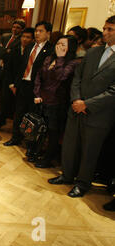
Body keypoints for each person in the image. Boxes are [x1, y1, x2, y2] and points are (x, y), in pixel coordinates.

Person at [48, 15, 115, 198]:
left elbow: (113, 91)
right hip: (76, 109)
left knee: (89, 151)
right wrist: (77, 100)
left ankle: (83, 183)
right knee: (70, 145)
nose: (105, 32)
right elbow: (77, 78)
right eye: (104, 28)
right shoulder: (93, 52)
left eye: (110, 29)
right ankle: (66, 175)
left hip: (99, 114)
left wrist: (87, 104)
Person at [4, 21, 53, 162]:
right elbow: (22, 66)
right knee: (19, 113)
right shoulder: (30, 46)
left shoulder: (50, 50)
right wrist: (15, 83)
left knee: (34, 117)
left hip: (37, 88)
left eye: (41, 31)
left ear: (48, 33)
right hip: (23, 85)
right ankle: (15, 137)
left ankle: (31, 146)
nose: (37, 33)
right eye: (36, 31)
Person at [32, 36, 80, 168]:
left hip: (57, 102)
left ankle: (48, 158)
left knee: (53, 132)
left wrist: (60, 59)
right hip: (42, 99)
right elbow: (38, 76)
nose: (59, 46)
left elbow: (61, 76)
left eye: (63, 44)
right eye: (58, 43)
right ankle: (37, 152)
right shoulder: (49, 58)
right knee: (42, 129)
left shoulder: (73, 62)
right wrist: (37, 93)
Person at [0, 19, 26, 132]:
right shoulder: (5, 36)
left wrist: (5, 51)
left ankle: (1, 121)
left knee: (5, 99)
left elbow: (10, 54)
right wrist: (5, 50)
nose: (15, 29)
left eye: (18, 27)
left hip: (10, 73)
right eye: (14, 27)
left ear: (22, 30)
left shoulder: (22, 40)